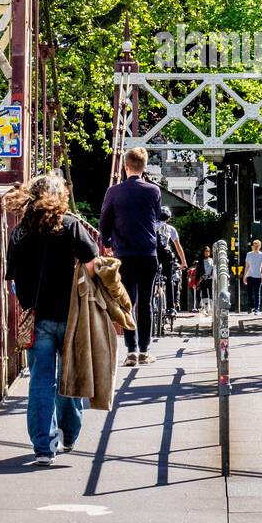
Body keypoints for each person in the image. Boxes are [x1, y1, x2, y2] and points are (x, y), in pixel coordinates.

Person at [5, 174, 98, 466]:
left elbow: (12, 280)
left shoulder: (19, 234)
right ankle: (68, 434)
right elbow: (94, 266)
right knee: (69, 376)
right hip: (70, 316)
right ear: (60, 196)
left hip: (37, 319)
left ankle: (44, 447)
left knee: (40, 382)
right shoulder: (71, 226)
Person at [100, 146, 161, 367]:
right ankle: (145, 350)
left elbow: (104, 221)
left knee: (127, 302)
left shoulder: (113, 192)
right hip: (147, 253)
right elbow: (155, 217)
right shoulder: (153, 191)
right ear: (144, 168)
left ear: (126, 166)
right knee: (145, 303)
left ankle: (131, 351)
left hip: (124, 254)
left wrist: (106, 244)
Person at [157, 205, 186, 312]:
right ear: (168, 218)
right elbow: (178, 247)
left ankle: (149, 303)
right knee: (169, 279)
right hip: (166, 254)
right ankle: (170, 307)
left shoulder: (151, 226)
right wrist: (183, 262)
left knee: (150, 279)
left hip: (153, 254)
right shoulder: (171, 229)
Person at [243, 238, 262, 313]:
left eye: (257, 246)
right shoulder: (249, 254)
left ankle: (257, 309)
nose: (256, 247)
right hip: (250, 275)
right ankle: (251, 307)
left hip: (258, 276)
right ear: (253, 246)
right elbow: (247, 266)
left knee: (257, 293)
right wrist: (244, 276)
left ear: (260, 246)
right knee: (249, 293)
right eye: (254, 246)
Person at [196, 245, 214, 312]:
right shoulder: (200, 261)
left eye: (208, 251)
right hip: (203, 279)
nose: (207, 252)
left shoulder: (212, 260)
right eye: (206, 251)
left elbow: (214, 269)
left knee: (211, 293)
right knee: (204, 293)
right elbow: (198, 272)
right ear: (203, 252)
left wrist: (212, 275)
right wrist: (196, 281)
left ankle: (212, 307)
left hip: (210, 279)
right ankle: (206, 308)